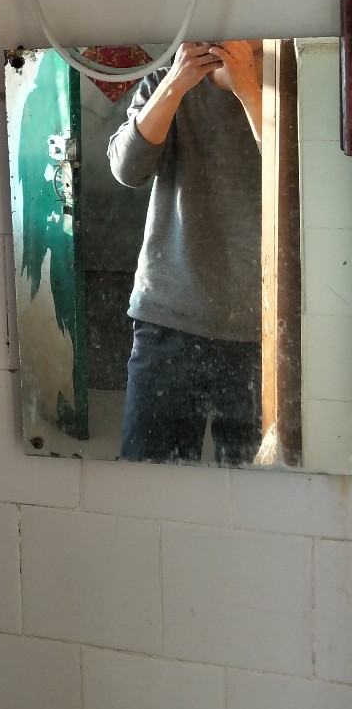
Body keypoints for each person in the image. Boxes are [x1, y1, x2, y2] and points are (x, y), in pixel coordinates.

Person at [107, 40, 263, 464]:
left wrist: (249, 90)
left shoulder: (294, 76)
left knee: (260, 493)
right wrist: (174, 84)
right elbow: (127, 170)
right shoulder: (170, 75)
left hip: (263, 329)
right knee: (147, 482)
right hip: (167, 319)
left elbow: (301, 181)